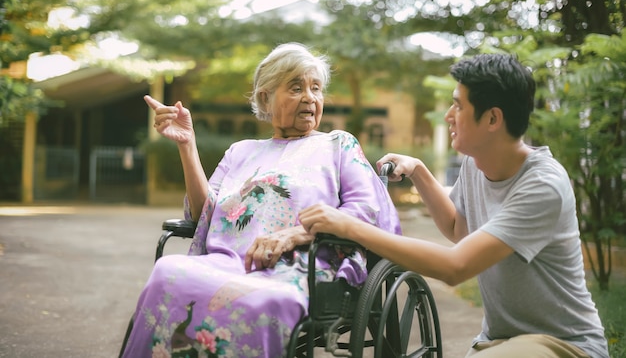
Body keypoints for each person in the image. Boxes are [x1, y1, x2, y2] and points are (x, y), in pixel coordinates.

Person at [300, 53, 610, 358]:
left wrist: (351, 227)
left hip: (564, 343)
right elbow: (457, 229)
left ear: (492, 118)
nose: (449, 115)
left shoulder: (543, 186)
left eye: (458, 105)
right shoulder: (477, 164)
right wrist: (418, 171)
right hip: (498, 340)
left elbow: (455, 266)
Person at [120, 42, 401, 358]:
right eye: (296, 88)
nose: (310, 97)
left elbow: (365, 209)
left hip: (302, 269)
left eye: (316, 89)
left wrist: (296, 234)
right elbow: (204, 215)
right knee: (167, 272)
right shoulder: (241, 151)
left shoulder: (338, 146)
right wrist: (188, 145)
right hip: (227, 261)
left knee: (260, 300)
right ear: (266, 97)